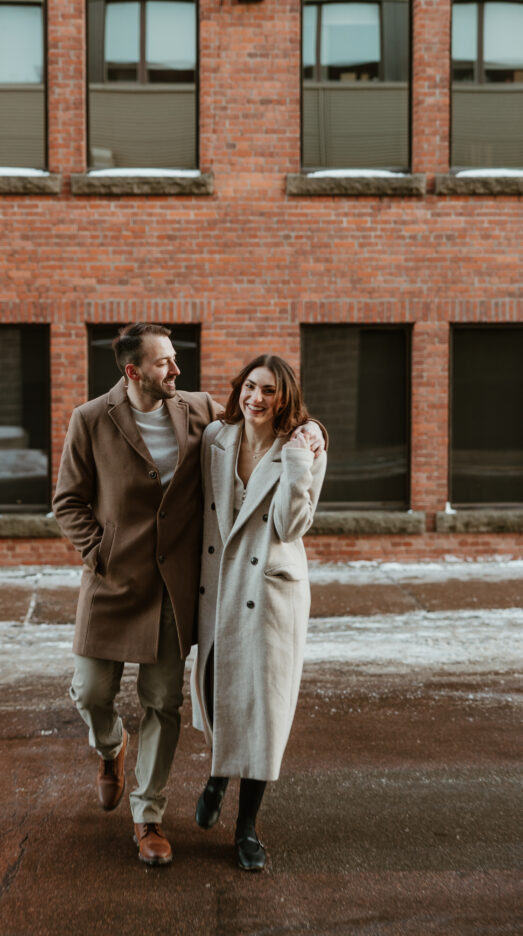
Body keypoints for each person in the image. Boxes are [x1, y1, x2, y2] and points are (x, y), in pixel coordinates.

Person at [53, 325, 324, 867]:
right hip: (111, 585)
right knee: (89, 693)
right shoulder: (89, 420)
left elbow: (269, 412)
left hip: (175, 590)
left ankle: (147, 816)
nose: (176, 371)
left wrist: (312, 429)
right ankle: (110, 749)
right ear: (133, 372)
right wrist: (98, 553)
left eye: (175, 360)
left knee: (163, 703)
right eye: (164, 364)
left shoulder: (196, 410)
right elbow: (67, 501)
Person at [191, 354, 327, 871]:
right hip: (221, 587)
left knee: (264, 708)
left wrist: (299, 462)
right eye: (250, 386)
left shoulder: (302, 449)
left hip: (271, 592)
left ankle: (246, 828)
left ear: (284, 399)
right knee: (218, 692)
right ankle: (217, 776)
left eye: (269, 391)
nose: (257, 398)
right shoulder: (215, 440)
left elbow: (292, 526)